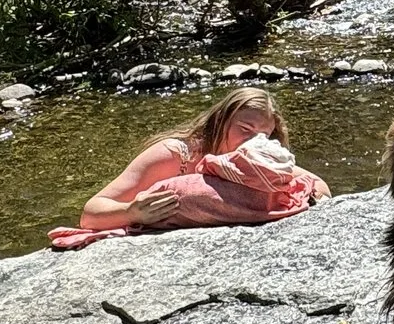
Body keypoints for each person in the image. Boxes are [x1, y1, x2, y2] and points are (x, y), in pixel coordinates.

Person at [59, 86, 330, 244]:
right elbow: (91, 214)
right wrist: (131, 212)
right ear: (220, 121)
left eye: (264, 135)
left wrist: (314, 198)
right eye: (245, 129)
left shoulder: (257, 163)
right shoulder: (175, 155)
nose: (254, 140)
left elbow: (317, 183)